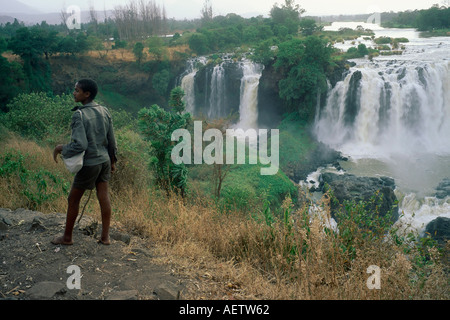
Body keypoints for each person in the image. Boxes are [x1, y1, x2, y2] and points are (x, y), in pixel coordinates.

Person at [52, 79, 117, 245]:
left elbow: (80, 145)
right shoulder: (104, 110)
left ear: (86, 94)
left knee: (73, 200)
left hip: (90, 163)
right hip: (104, 161)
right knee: (104, 197)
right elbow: (112, 141)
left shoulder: (79, 115)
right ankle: (105, 238)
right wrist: (113, 161)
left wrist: (61, 148)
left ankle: (67, 238)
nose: (74, 93)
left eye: (77, 90)